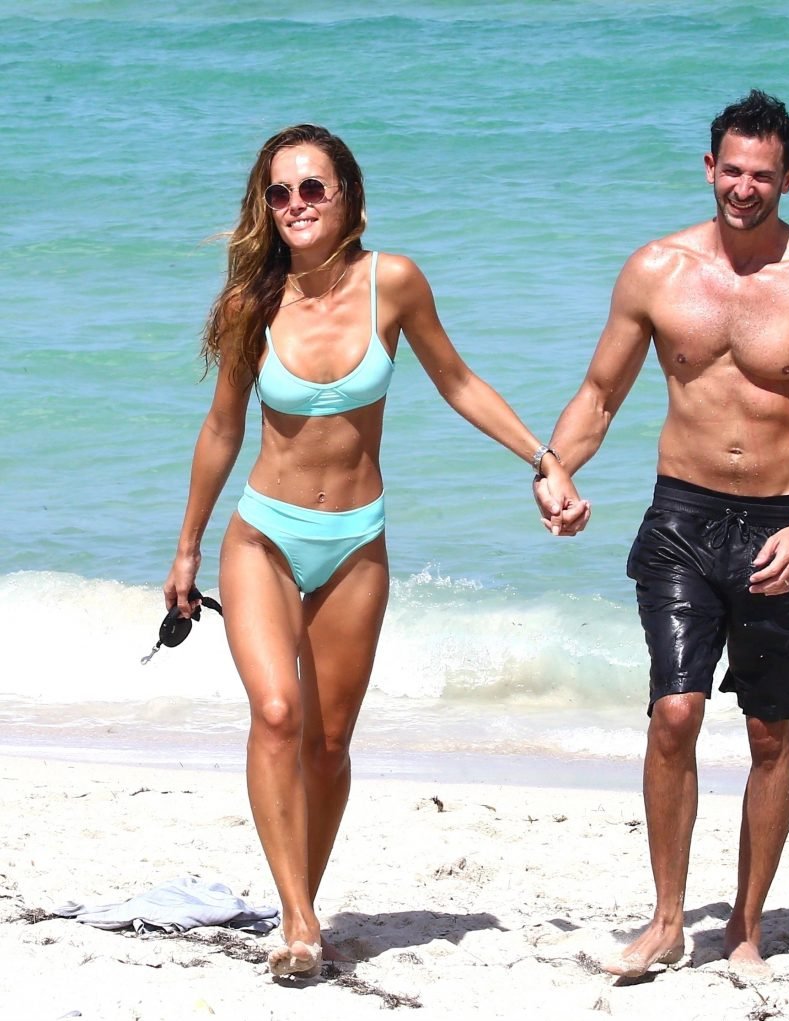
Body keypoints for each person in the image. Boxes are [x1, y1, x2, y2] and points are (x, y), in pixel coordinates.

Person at [163, 123, 585, 979]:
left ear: (347, 195)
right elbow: (223, 428)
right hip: (265, 534)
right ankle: (296, 918)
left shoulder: (393, 283)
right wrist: (187, 549)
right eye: (280, 192)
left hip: (356, 540)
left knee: (328, 744)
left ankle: (302, 904)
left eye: (312, 187)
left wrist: (544, 460)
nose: (296, 204)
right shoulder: (251, 305)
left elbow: (457, 380)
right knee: (276, 712)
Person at [535, 90, 789, 978]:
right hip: (682, 514)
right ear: (710, 167)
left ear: (788, 179)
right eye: (732, 170)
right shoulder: (657, 269)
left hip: (781, 523)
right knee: (675, 710)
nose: (744, 189)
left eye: (763, 175)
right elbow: (600, 393)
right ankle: (666, 918)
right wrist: (555, 468)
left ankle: (745, 925)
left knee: (769, 729)